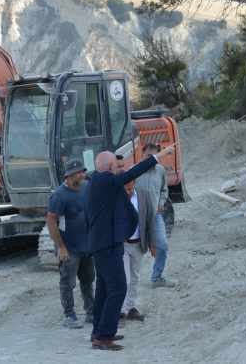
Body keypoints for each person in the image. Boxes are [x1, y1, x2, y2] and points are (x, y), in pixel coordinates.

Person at [85, 147, 173, 351]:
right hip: (107, 246)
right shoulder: (105, 181)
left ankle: (98, 332)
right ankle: (104, 336)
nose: (119, 169)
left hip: (104, 245)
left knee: (104, 290)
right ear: (110, 167)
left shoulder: (97, 182)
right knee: (118, 288)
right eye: (116, 166)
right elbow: (132, 173)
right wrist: (154, 158)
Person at [45, 159, 93, 329]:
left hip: (87, 245)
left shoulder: (86, 187)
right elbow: (51, 222)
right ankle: (69, 315)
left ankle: (91, 312)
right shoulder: (59, 196)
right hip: (69, 248)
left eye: (83, 171)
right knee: (68, 282)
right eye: (78, 173)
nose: (82, 175)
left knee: (88, 280)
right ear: (69, 176)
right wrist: (61, 247)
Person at [134, 143, 175, 288]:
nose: (151, 159)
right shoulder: (135, 171)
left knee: (162, 245)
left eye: (154, 156)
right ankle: (130, 281)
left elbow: (164, 190)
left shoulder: (160, 171)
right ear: (141, 154)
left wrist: (161, 203)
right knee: (135, 249)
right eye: (148, 156)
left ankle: (156, 277)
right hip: (137, 218)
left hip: (156, 215)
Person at [119, 181, 147, 321]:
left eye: (130, 188)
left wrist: (151, 242)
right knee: (126, 278)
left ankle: (130, 307)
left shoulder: (141, 197)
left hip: (138, 244)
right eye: (125, 189)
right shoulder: (118, 199)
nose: (128, 191)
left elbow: (148, 218)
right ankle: (122, 310)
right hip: (123, 244)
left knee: (135, 277)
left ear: (135, 184)